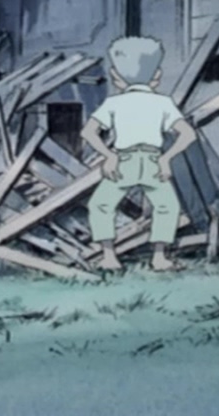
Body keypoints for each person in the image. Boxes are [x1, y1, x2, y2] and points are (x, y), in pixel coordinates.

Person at [82, 36, 196, 272]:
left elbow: (89, 132)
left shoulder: (114, 103)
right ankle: (159, 257)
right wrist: (166, 158)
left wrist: (109, 156)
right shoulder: (163, 102)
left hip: (123, 160)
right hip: (153, 160)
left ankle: (109, 257)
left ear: (115, 77)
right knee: (167, 207)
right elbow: (187, 134)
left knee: (101, 205)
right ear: (157, 76)